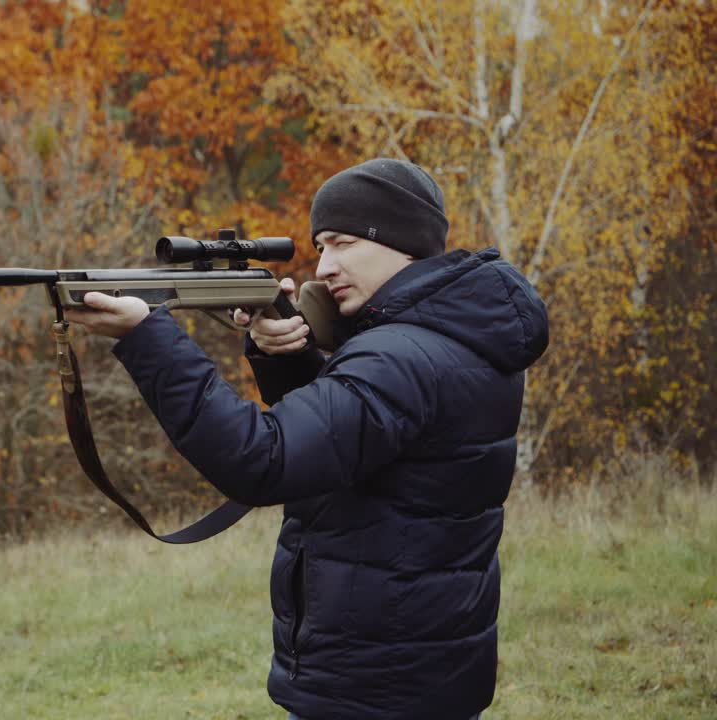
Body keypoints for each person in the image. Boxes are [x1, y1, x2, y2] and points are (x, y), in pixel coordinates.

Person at [65, 158, 549, 720]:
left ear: (403, 242)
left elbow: (265, 461)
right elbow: (361, 445)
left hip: (376, 687)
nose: (327, 266)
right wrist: (290, 359)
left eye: (342, 244)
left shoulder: (401, 355)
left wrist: (149, 338)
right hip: (416, 664)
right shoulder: (450, 334)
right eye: (321, 247)